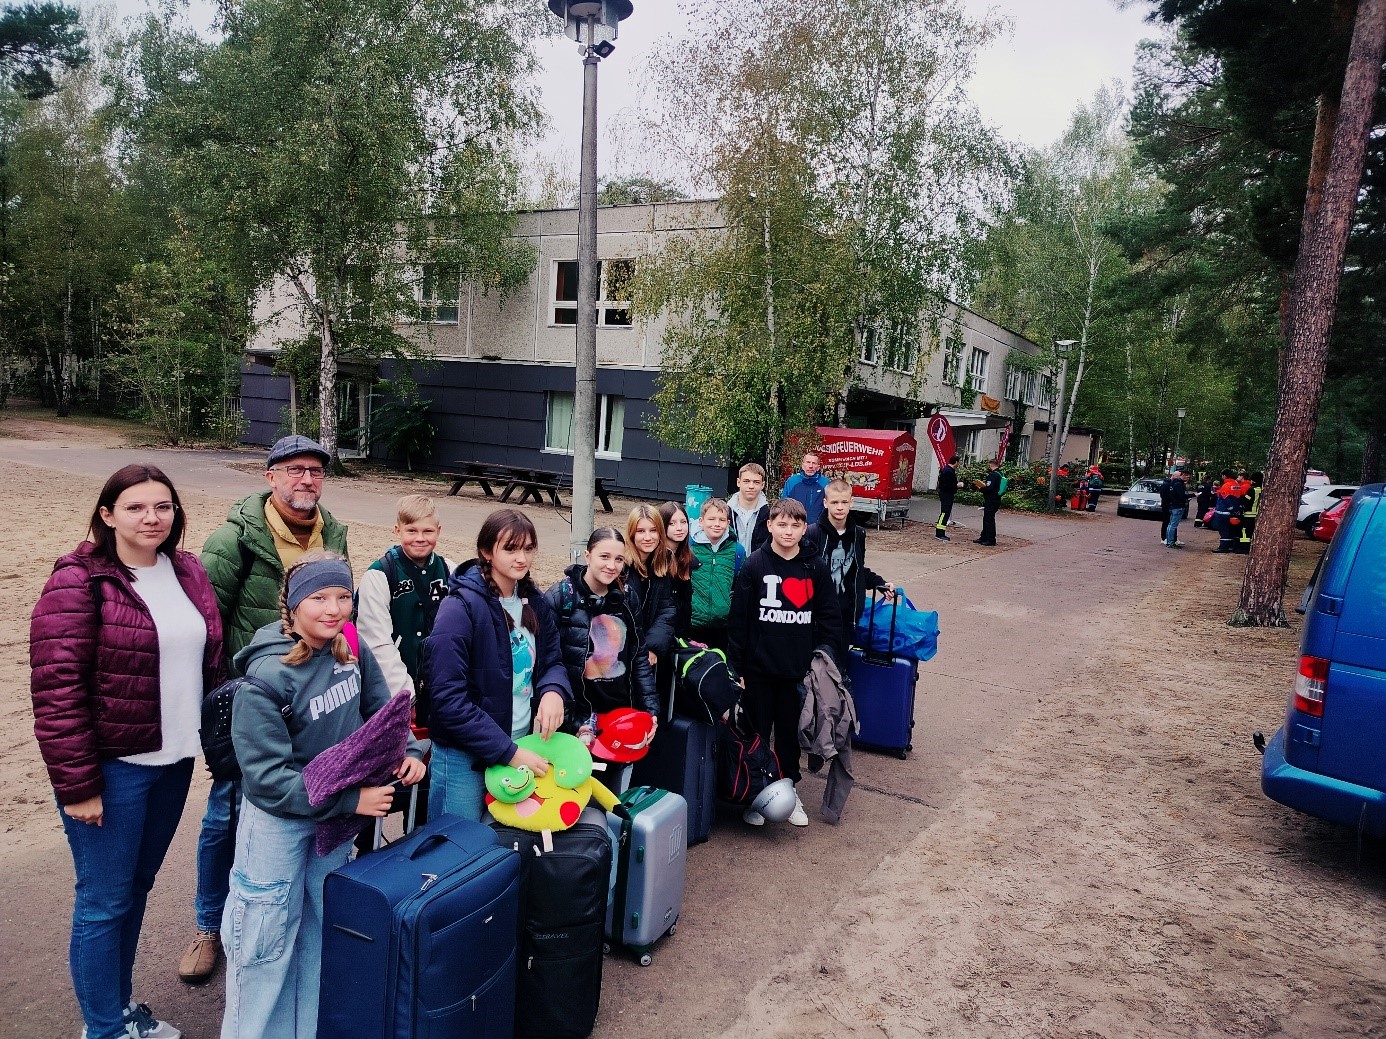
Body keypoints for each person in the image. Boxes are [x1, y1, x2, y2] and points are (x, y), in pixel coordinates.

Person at [31, 464, 224, 1039]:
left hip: (173, 760)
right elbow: (57, 689)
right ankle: (104, 1030)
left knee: (134, 894)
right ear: (108, 514)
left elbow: (207, 662)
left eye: (162, 506)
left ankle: (117, 1010)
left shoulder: (186, 570)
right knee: (103, 903)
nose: (151, 517)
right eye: (136, 507)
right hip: (114, 770)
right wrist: (79, 785)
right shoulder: (79, 581)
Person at [221, 552, 425, 1039]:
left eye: (342, 597)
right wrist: (350, 802)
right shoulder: (265, 680)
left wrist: (410, 747)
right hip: (278, 823)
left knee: (317, 932)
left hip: (328, 825)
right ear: (290, 608)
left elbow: (383, 711)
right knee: (264, 943)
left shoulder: (350, 647)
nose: (333, 609)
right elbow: (269, 780)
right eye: (318, 598)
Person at [180, 434, 349, 986]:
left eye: (316, 471)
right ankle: (209, 926)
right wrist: (224, 699)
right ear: (271, 476)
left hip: (314, 700)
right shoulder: (236, 539)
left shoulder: (334, 534)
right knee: (227, 813)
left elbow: (340, 615)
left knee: (307, 812)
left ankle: (291, 922)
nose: (307, 480)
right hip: (251, 699)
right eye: (295, 470)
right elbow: (206, 619)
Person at [421, 509, 570, 821]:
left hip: (521, 744)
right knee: (457, 851)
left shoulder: (534, 601)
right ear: (486, 552)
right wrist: (509, 752)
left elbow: (553, 660)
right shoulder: (459, 608)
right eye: (511, 548)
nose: (522, 558)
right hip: (466, 757)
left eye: (528, 549)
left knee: (500, 851)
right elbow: (447, 700)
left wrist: (553, 691)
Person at [728, 498, 843, 828]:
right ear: (770, 526)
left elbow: (829, 616)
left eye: (795, 525)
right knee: (758, 733)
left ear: (803, 527)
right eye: (782, 524)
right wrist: (736, 667)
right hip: (759, 671)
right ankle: (757, 794)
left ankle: (790, 792)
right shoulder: (754, 565)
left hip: (797, 672)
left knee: (791, 736)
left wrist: (823, 656)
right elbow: (740, 621)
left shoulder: (814, 567)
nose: (788, 531)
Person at [546, 528, 659, 790]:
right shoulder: (560, 597)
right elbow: (547, 663)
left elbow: (639, 655)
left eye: (619, 560)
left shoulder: (628, 597)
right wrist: (568, 719)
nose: (612, 566)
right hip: (576, 718)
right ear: (588, 555)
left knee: (610, 792)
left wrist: (650, 710)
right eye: (604, 557)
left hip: (618, 714)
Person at [355, 494, 456, 702]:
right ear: (397, 530)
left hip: (442, 684)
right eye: (411, 530)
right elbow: (377, 642)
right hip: (394, 688)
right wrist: (405, 694)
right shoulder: (380, 575)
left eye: (427, 531)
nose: (420, 538)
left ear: (438, 531)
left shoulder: (450, 570)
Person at [802, 478, 893, 648]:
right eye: (834, 502)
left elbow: (857, 569)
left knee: (840, 667)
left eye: (844, 502)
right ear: (825, 502)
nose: (839, 507)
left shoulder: (858, 535)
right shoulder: (813, 533)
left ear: (851, 502)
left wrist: (879, 583)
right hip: (817, 615)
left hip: (846, 614)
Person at [689, 497, 746, 650]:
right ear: (701, 521)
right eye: (711, 519)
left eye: (721, 520)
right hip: (693, 623)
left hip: (723, 625)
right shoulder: (689, 549)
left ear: (728, 523)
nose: (716, 524)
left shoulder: (737, 551)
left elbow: (739, 584)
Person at [658, 501, 699, 639]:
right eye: (672, 523)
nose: (679, 528)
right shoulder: (658, 561)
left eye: (683, 522)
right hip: (662, 635)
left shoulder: (687, 558)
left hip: (682, 634)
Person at [728, 462, 771, 555]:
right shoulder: (725, 512)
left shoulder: (770, 515)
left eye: (756, 482)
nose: (751, 486)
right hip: (729, 566)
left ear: (762, 485)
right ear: (738, 482)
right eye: (746, 481)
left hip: (758, 567)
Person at [781, 451, 829, 525]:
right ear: (803, 465)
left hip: (818, 528)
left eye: (814, 463)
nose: (810, 466)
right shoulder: (792, 482)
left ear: (818, 467)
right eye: (808, 462)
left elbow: (830, 507)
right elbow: (784, 505)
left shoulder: (825, 483)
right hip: (795, 527)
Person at [1210, 469, 1246, 553]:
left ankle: (1223, 547)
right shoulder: (1237, 485)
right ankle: (1230, 546)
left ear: (1224, 476)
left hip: (1223, 512)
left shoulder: (1226, 485)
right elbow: (1239, 498)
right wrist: (1235, 510)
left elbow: (1226, 498)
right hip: (1233, 512)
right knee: (1230, 530)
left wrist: (1231, 508)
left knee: (1223, 530)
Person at [1159, 468, 1191, 548]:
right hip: (1169, 506)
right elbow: (1164, 496)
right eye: (1178, 476)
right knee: (1169, 523)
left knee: (1171, 523)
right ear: (1174, 476)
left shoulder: (1173, 484)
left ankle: (1172, 539)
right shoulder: (1168, 484)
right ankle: (1166, 539)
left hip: (1171, 505)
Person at [974, 459, 1003, 546]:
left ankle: (990, 539)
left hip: (991, 499)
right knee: (988, 518)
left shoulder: (993, 475)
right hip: (996, 499)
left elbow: (989, 488)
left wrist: (981, 488)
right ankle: (984, 537)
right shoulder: (1000, 474)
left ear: (991, 465)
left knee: (988, 520)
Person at [1236, 471, 1263, 554]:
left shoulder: (1251, 490)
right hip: (1258, 514)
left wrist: (1241, 509)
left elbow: (1246, 502)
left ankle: (1244, 548)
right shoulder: (1262, 489)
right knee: (1253, 532)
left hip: (1248, 514)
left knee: (1245, 532)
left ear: (1253, 480)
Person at [935, 455, 958, 541]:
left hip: (947, 494)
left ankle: (941, 531)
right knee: (944, 513)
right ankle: (940, 533)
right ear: (956, 462)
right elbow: (946, 485)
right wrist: (956, 485)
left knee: (945, 513)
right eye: (958, 462)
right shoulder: (948, 471)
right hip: (946, 494)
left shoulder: (948, 470)